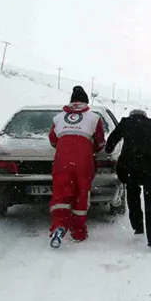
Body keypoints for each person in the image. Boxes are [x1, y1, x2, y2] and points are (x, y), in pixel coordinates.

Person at [48, 86, 106, 248]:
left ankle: (59, 225)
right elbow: (100, 143)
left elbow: (53, 140)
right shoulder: (94, 118)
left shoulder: (58, 118)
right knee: (81, 195)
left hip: (62, 162)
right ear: (86, 101)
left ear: (71, 101)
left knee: (61, 195)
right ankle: (78, 232)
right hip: (83, 162)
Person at [105, 108, 151, 250]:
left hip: (131, 166)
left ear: (131, 115)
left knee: (133, 194)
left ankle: (138, 227)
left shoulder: (127, 122)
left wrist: (108, 150)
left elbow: (113, 139)